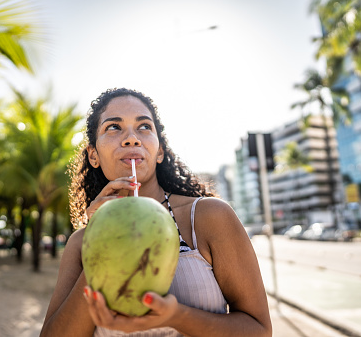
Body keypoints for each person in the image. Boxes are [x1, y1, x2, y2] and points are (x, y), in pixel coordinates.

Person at [40, 88, 272, 337]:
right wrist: (104, 247)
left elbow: (259, 330)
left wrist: (176, 316)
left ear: (159, 151)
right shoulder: (81, 243)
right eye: (113, 127)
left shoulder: (208, 217)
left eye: (144, 127)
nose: (131, 138)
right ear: (93, 155)